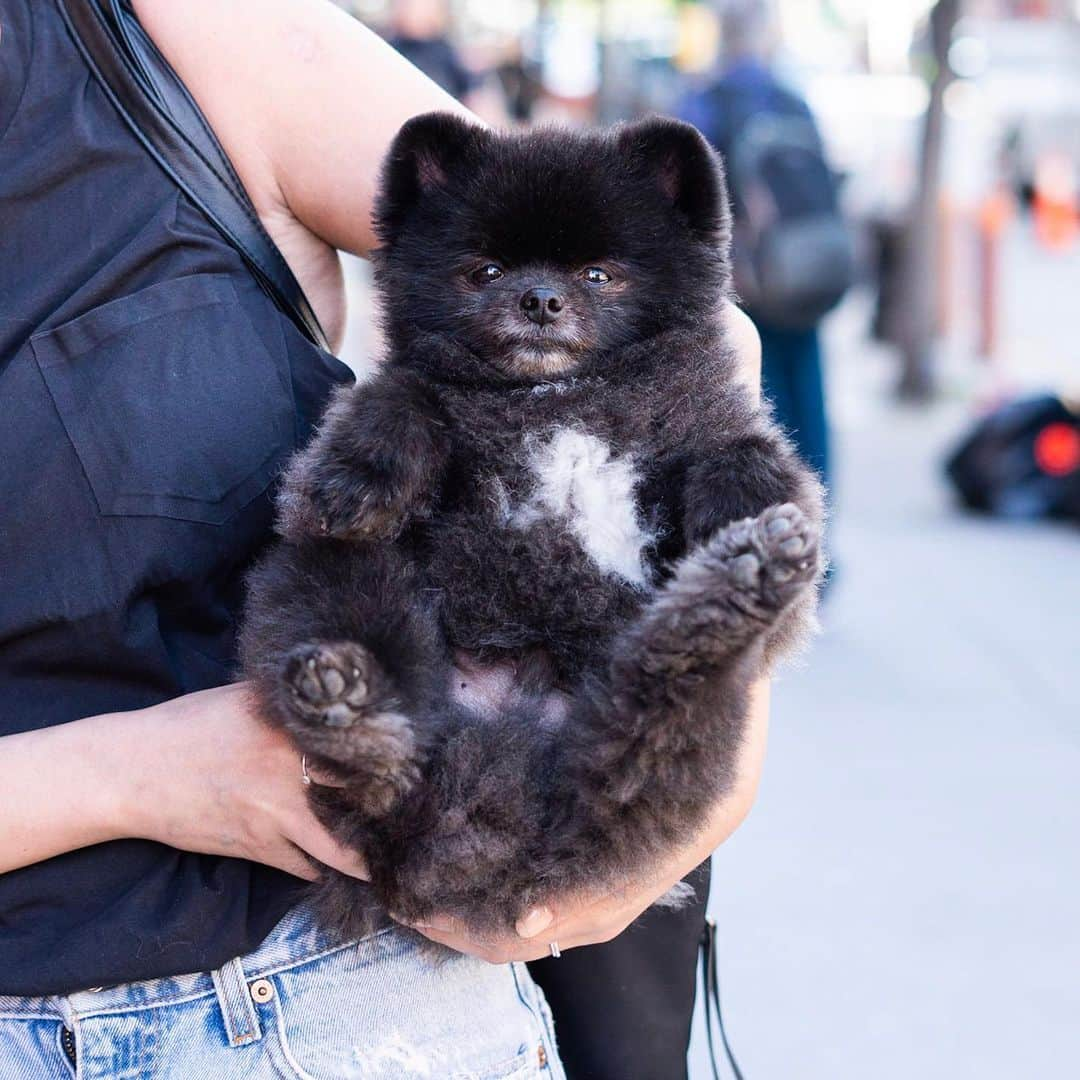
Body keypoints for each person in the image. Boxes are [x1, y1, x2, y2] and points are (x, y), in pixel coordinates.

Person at [0, 0, 769, 1075]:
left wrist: (668, 763)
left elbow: (671, 299)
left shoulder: (148, 31)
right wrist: (133, 776)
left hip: (337, 1001)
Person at [679, 0, 837, 489]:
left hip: (746, 275)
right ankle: (819, 529)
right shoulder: (794, 100)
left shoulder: (702, 103)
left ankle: (776, 513)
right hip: (807, 268)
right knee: (808, 396)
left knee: (762, 400)